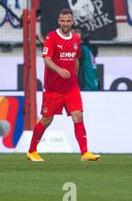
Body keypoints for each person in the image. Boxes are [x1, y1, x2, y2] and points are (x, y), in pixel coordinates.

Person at [26, 9, 101, 162]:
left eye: (68, 21)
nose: (65, 23)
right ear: (59, 22)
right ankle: (32, 151)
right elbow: (46, 59)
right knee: (47, 120)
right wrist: (59, 70)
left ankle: (85, 153)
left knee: (78, 116)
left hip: (71, 88)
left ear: (72, 22)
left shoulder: (75, 39)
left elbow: (76, 60)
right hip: (53, 89)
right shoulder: (51, 37)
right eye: (63, 21)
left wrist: (74, 77)